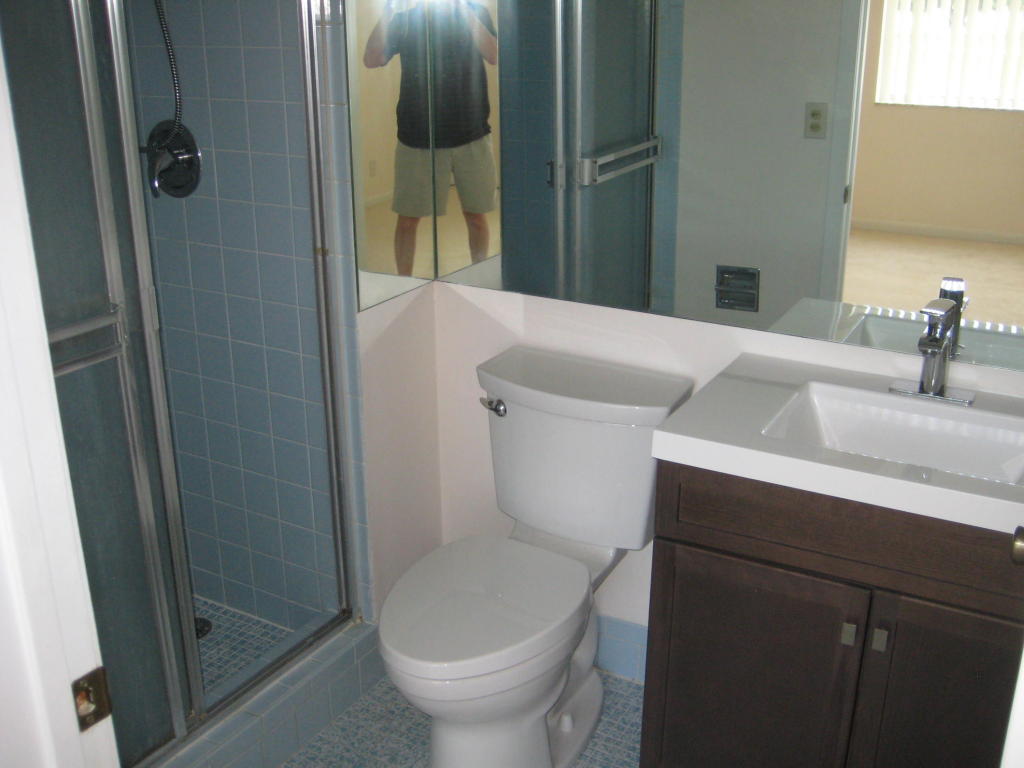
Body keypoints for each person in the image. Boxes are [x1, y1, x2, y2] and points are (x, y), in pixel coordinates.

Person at [364, 0, 498, 276]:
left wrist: (463, 11)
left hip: (471, 133)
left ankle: (480, 277)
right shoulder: (405, 20)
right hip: (417, 136)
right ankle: (403, 283)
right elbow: (372, 59)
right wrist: (387, 11)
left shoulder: (476, 11)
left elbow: (495, 55)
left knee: (476, 216)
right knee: (408, 220)